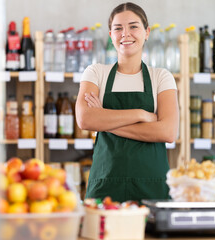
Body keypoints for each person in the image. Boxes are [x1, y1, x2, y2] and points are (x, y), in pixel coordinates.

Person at [75, 2, 179, 202]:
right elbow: (86, 120)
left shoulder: (161, 77)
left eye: (133, 26)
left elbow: (167, 132)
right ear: (110, 34)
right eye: (118, 28)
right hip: (105, 184)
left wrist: (105, 120)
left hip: (152, 186)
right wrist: (141, 114)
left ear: (146, 32)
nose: (125, 34)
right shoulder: (96, 73)